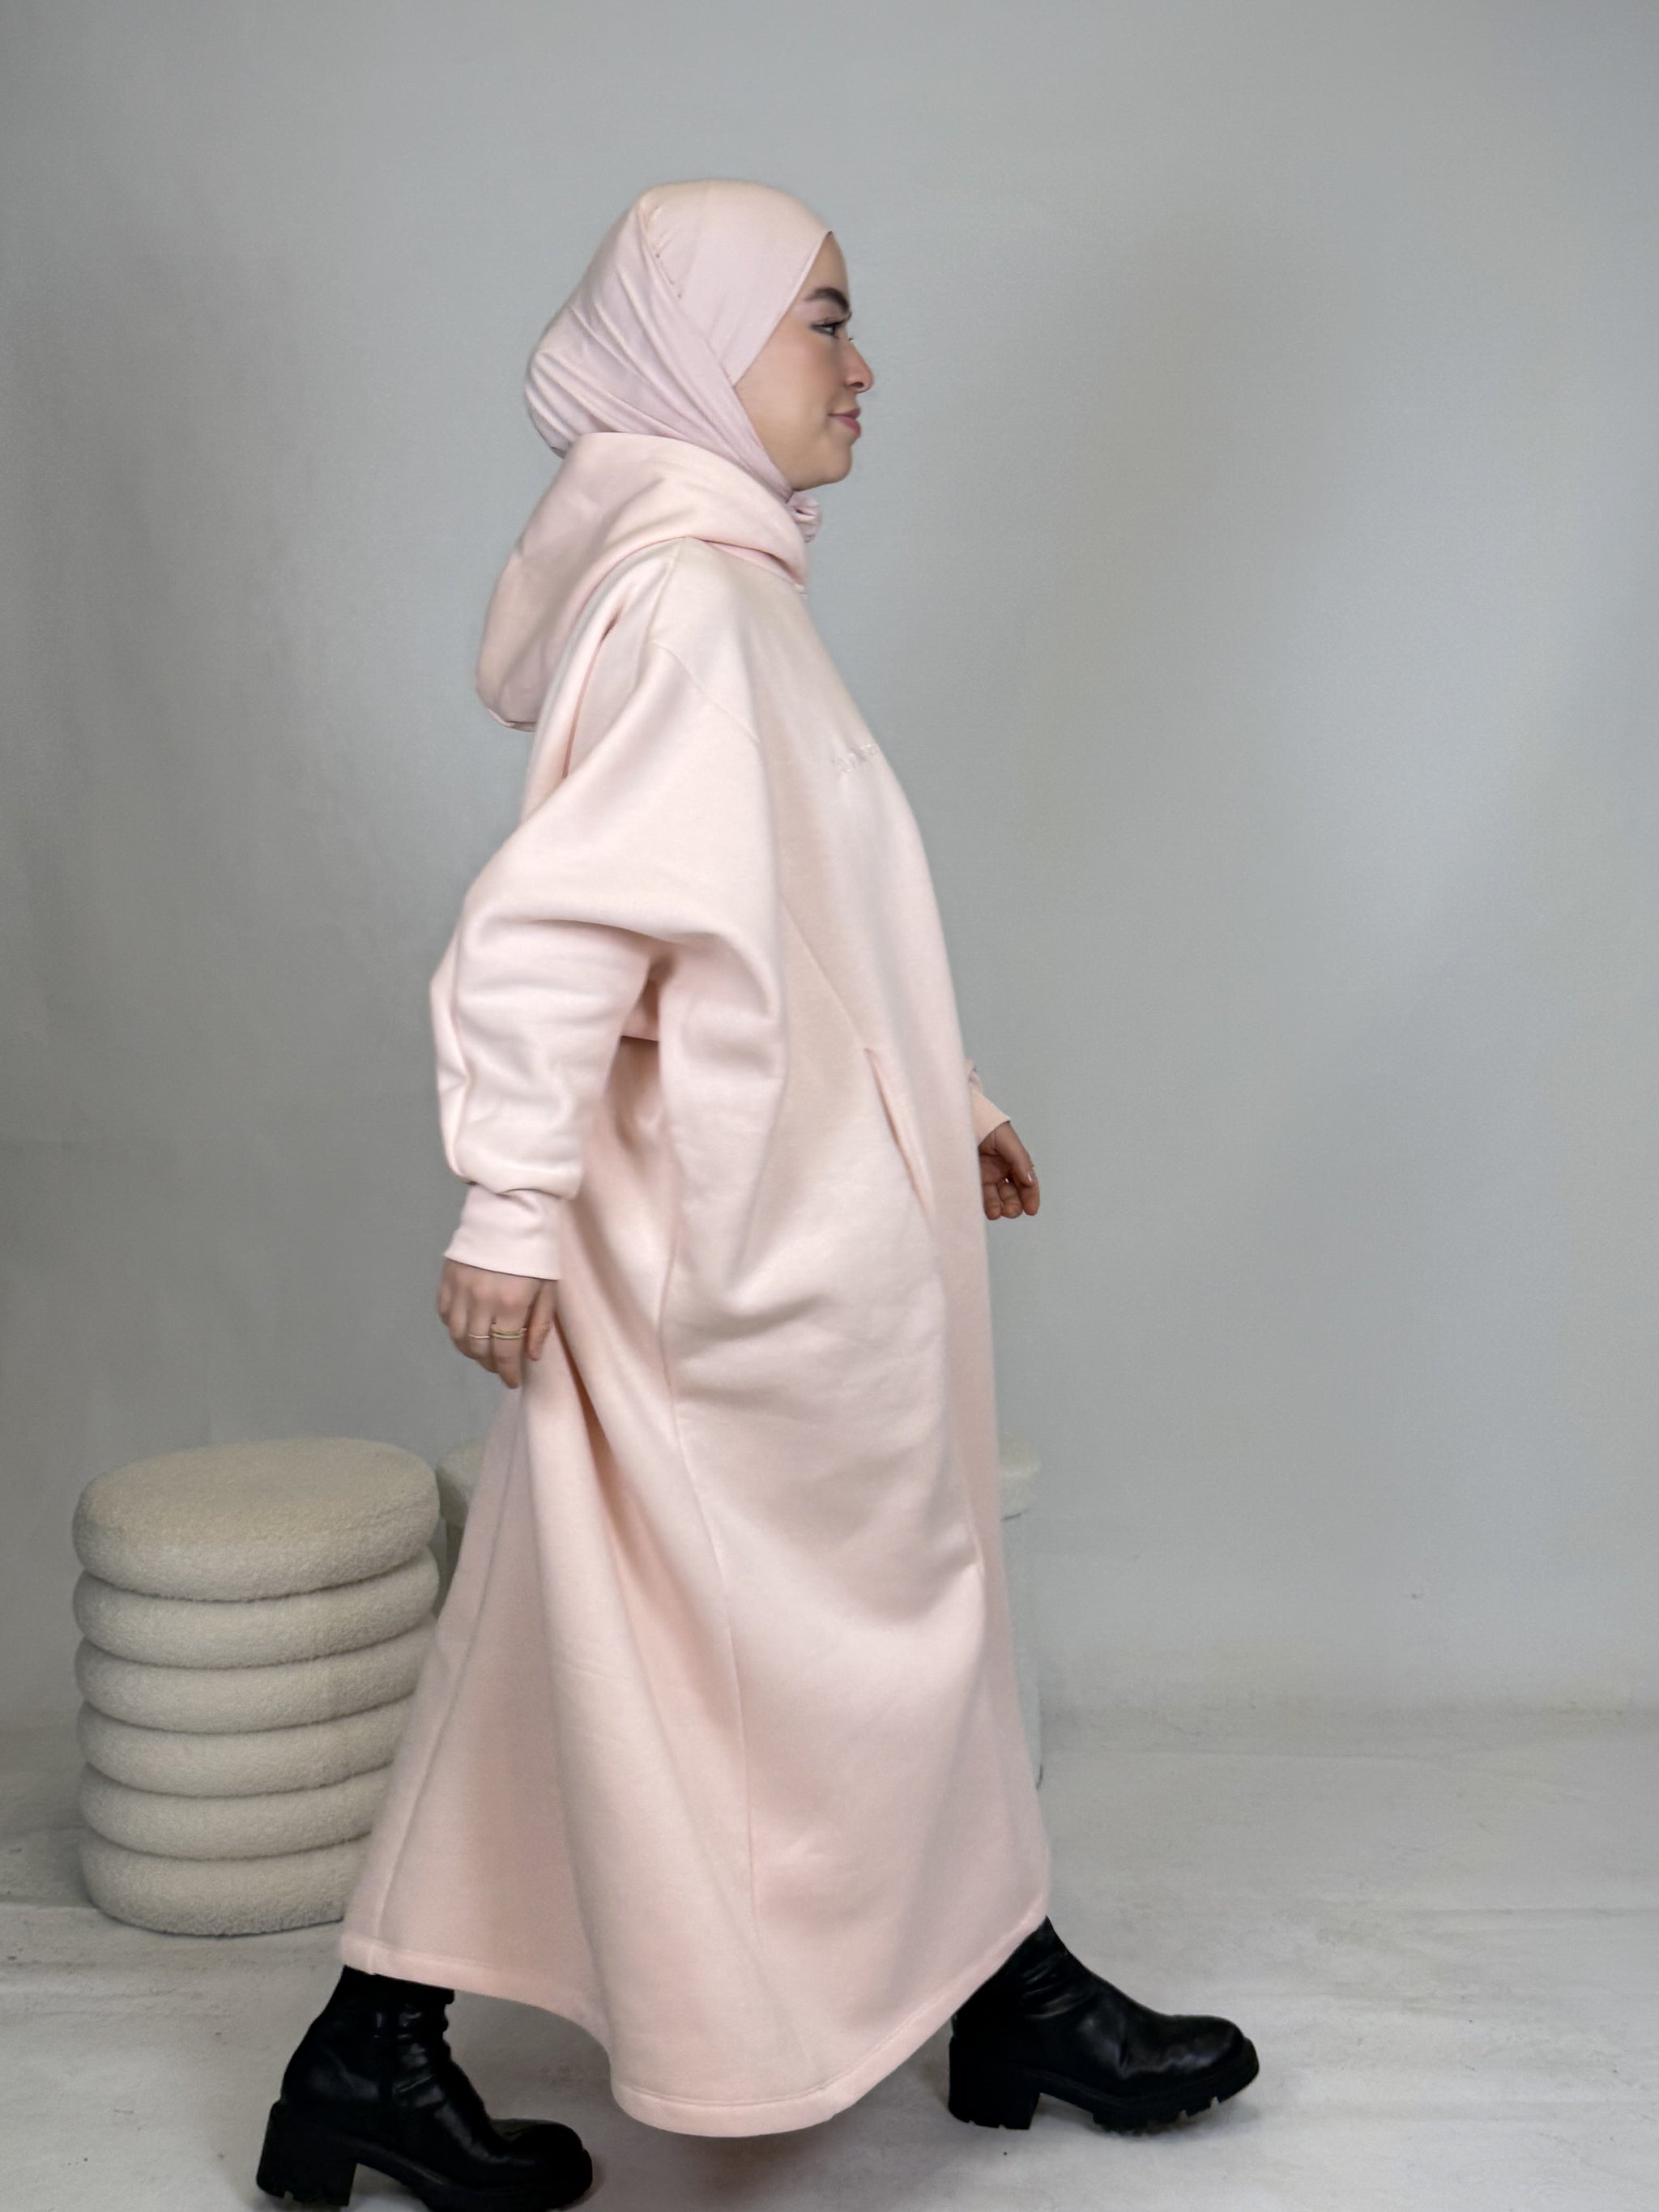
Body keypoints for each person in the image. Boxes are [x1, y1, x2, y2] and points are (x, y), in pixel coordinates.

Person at [255, 179, 1258, 2212]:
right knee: (853, 1623)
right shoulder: (697, 602)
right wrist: (507, 1202)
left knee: (603, 1622)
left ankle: (388, 2050)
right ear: (702, 349)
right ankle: (995, 1988)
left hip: (775, 1206)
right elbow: (561, 923)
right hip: (736, 1248)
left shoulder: (730, 591)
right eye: (820, 321)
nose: (863, 366)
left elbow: (788, 917)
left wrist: (941, 1095)